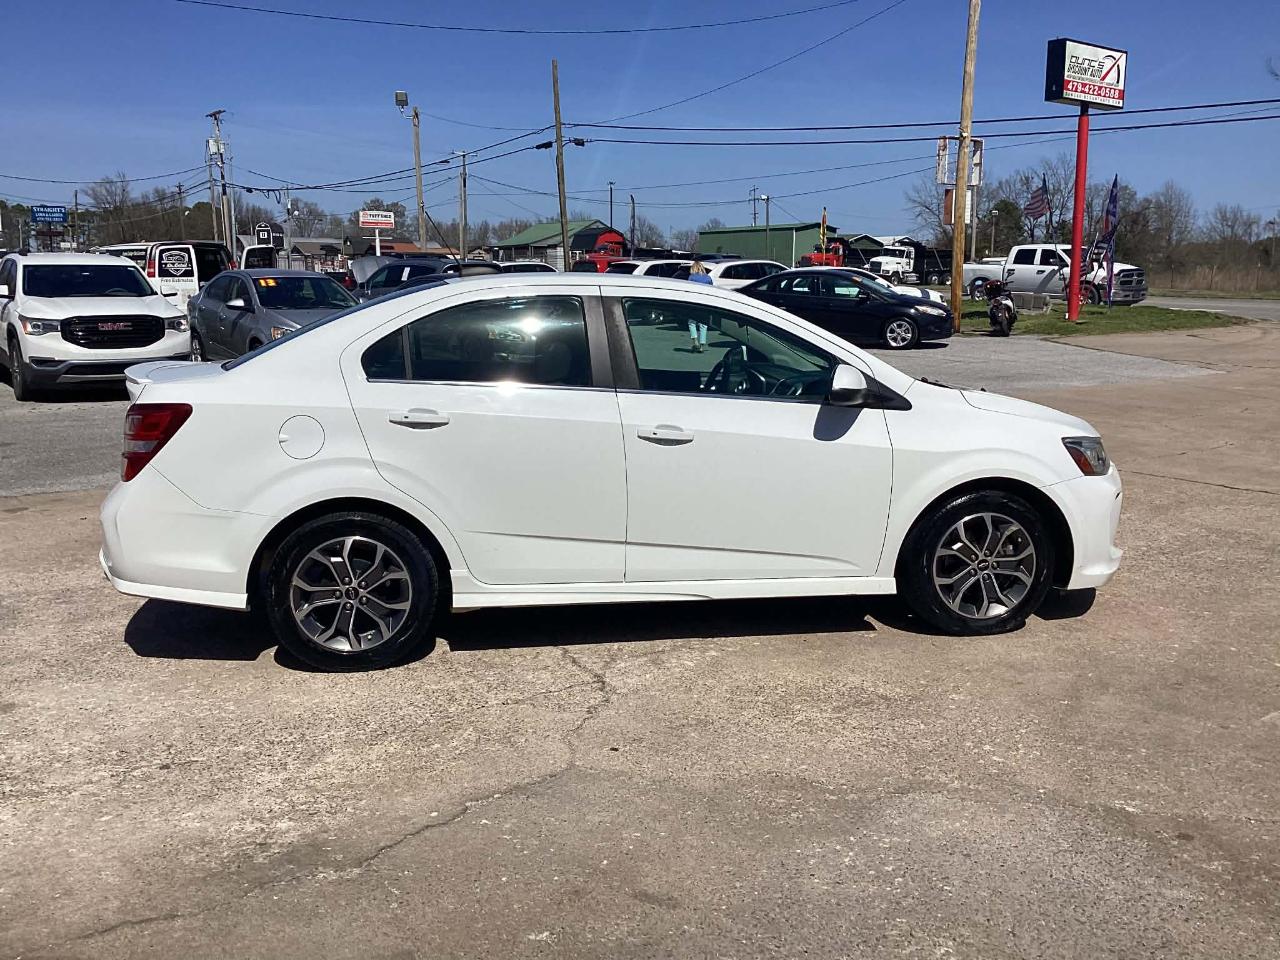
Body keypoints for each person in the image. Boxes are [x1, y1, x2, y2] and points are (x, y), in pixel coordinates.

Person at [686, 260, 712, 351]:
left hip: (694, 302)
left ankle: (695, 341)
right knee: (703, 324)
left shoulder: (691, 277)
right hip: (705, 303)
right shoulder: (708, 278)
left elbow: (688, 290)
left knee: (692, 322)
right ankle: (702, 346)